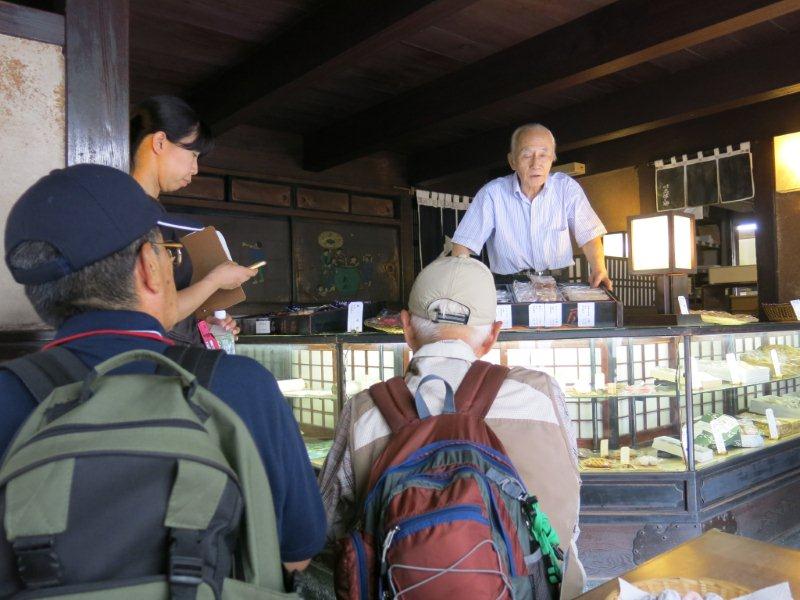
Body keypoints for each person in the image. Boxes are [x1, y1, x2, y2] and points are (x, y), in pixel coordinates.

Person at [0, 164, 326, 572]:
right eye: (167, 254)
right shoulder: (240, 385)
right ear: (149, 267)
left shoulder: (6, 394)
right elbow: (297, 554)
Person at [318, 254, 586, 598]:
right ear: (492, 335)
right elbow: (571, 508)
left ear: (405, 327)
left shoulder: (364, 411)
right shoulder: (542, 394)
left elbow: (324, 528)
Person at [130, 95, 256, 345]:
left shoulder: (145, 215)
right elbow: (154, 314)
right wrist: (215, 281)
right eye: (193, 154)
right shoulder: (134, 219)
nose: (195, 169)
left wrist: (201, 323)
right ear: (160, 142)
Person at [451, 123, 613, 290]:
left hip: (558, 283)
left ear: (552, 159)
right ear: (512, 161)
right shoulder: (492, 194)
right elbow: (462, 245)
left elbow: (590, 235)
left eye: (543, 155)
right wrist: (463, 287)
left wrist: (599, 268)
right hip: (508, 285)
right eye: (527, 155)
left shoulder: (566, 188)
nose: (536, 163)